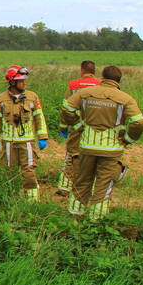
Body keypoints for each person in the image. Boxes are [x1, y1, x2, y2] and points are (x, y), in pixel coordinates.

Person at [61, 65, 143, 219]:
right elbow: (138, 122)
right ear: (119, 81)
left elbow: (66, 108)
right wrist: (128, 139)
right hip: (111, 150)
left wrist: (79, 126)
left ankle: (74, 217)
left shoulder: (85, 93)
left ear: (102, 77)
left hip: (86, 146)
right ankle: (96, 220)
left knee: (82, 182)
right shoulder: (126, 98)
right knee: (103, 184)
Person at [0, 66, 48, 201]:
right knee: (8, 171)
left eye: (24, 80)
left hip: (27, 142)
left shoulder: (32, 97)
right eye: (21, 81)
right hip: (8, 143)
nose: (24, 83)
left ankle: (32, 201)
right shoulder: (1, 99)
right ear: (12, 82)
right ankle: (10, 199)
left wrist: (43, 137)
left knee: (29, 172)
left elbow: (39, 117)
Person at [55, 60, 101, 196]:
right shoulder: (101, 85)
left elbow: (66, 108)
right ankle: (91, 188)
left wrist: (64, 127)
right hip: (96, 128)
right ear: (94, 71)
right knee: (94, 157)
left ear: (82, 70)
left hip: (77, 126)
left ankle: (64, 187)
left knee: (71, 155)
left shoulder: (73, 85)